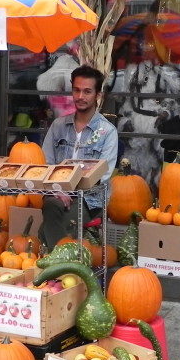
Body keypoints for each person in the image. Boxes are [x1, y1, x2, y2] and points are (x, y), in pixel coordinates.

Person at [39, 65, 119, 250]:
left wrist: (72, 189)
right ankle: (61, 263)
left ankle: (54, 257)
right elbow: (46, 163)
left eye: (87, 91)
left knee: (61, 224)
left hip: (89, 198)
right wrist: (58, 189)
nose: (80, 96)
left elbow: (102, 176)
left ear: (98, 95)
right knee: (51, 207)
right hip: (57, 192)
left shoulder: (107, 132)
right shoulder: (58, 126)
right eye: (76, 90)